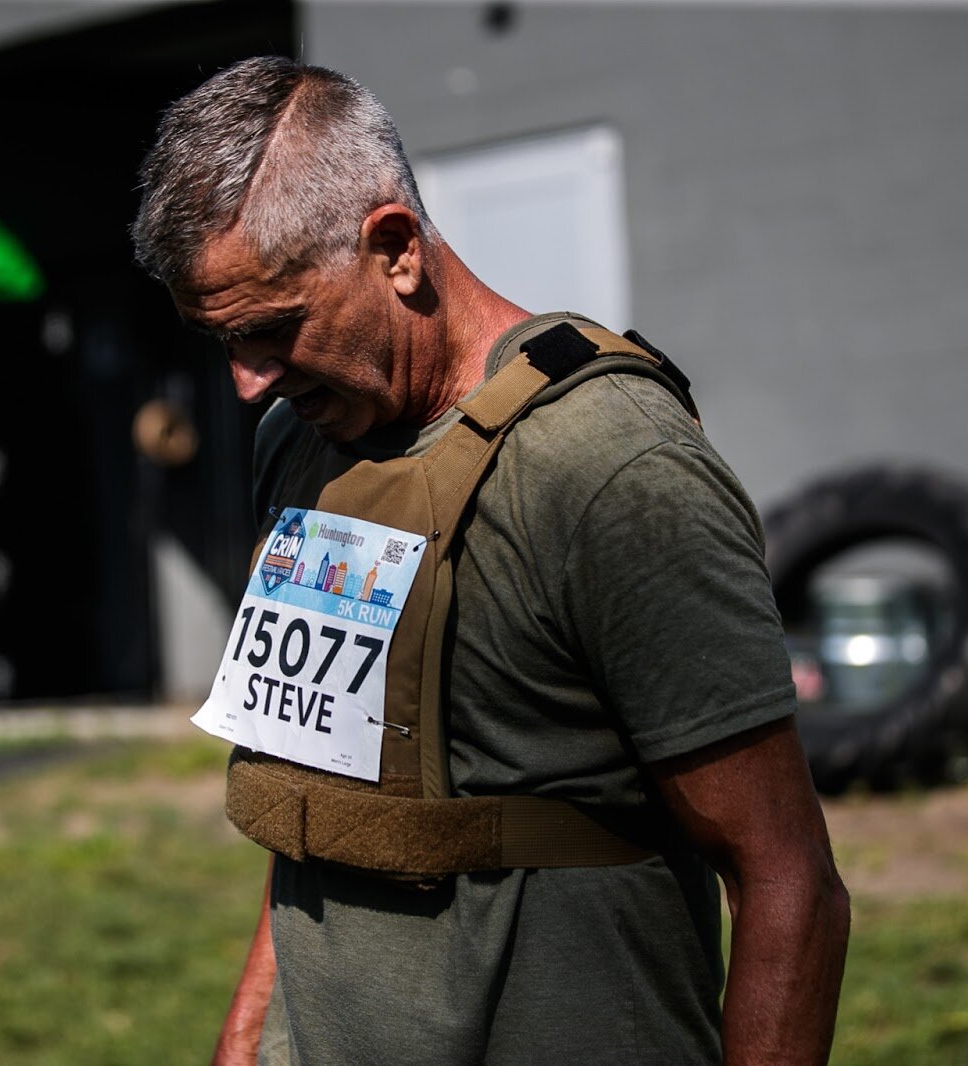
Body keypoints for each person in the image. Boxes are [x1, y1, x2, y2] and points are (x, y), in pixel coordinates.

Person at [131, 56, 850, 1066]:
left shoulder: (607, 466)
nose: (246, 382)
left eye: (270, 329)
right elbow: (321, 784)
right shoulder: (296, 441)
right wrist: (251, 1032)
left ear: (394, 250)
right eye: (221, 341)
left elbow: (786, 877)